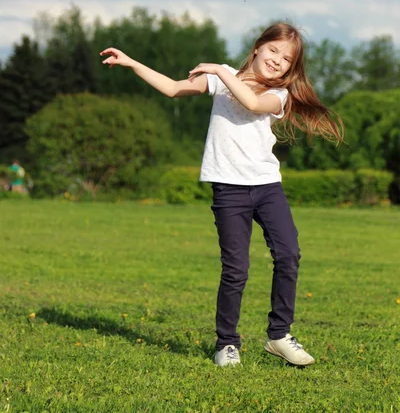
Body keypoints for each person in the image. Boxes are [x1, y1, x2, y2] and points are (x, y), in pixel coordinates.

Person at [100, 22, 343, 368]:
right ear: (258, 47)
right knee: (236, 269)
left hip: (266, 186)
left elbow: (252, 103)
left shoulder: (279, 95)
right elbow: (171, 88)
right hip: (228, 188)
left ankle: (279, 335)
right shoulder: (223, 78)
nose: (277, 61)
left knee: (289, 254)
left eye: (286, 59)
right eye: (273, 50)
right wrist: (132, 62)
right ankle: (227, 343)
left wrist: (218, 69)